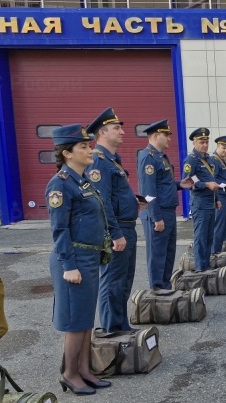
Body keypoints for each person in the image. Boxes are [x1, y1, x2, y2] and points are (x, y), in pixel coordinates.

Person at [46, 124, 112, 395]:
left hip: (88, 256)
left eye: (89, 145)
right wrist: (69, 266)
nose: (90, 149)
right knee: (74, 321)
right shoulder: (60, 184)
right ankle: (70, 373)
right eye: (83, 147)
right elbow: (59, 229)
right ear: (67, 153)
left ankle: (85, 370)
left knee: (85, 318)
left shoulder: (82, 181)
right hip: (72, 258)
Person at [86, 107, 142, 333]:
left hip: (126, 226)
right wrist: (115, 234)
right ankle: (112, 330)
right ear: (102, 133)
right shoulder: (98, 161)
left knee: (124, 280)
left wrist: (133, 201)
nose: (122, 132)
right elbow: (102, 202)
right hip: (116, 230)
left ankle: (121, 325)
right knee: (112, 282)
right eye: (116, 128)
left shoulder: (112, 160)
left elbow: (115, 195)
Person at [137, 120, 192, 289]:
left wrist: (179, 185)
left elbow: (162, 184)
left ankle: (165, 287)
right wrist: (156, 218)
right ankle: (158, 290)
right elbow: (148, 192)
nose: (169, 138)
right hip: (158, 213)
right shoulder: (147, 157)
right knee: (157, 254)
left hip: (168, 211)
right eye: (166, 135)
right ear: (155, 136)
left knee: (168, 253)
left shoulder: (161, 157)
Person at [182, 127, 220, 272]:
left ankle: (206, 264)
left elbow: (212, 179)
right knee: (200, 237)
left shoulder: (209, 159)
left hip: (210, 203)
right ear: (194, 143)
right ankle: (199, 267)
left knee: (209, 236)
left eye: (206, 142)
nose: (204, 145)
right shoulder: (191, 160)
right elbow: (188, 182)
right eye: (201, 142)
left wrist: (216, 199)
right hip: (200, 204)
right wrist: (206, 185)